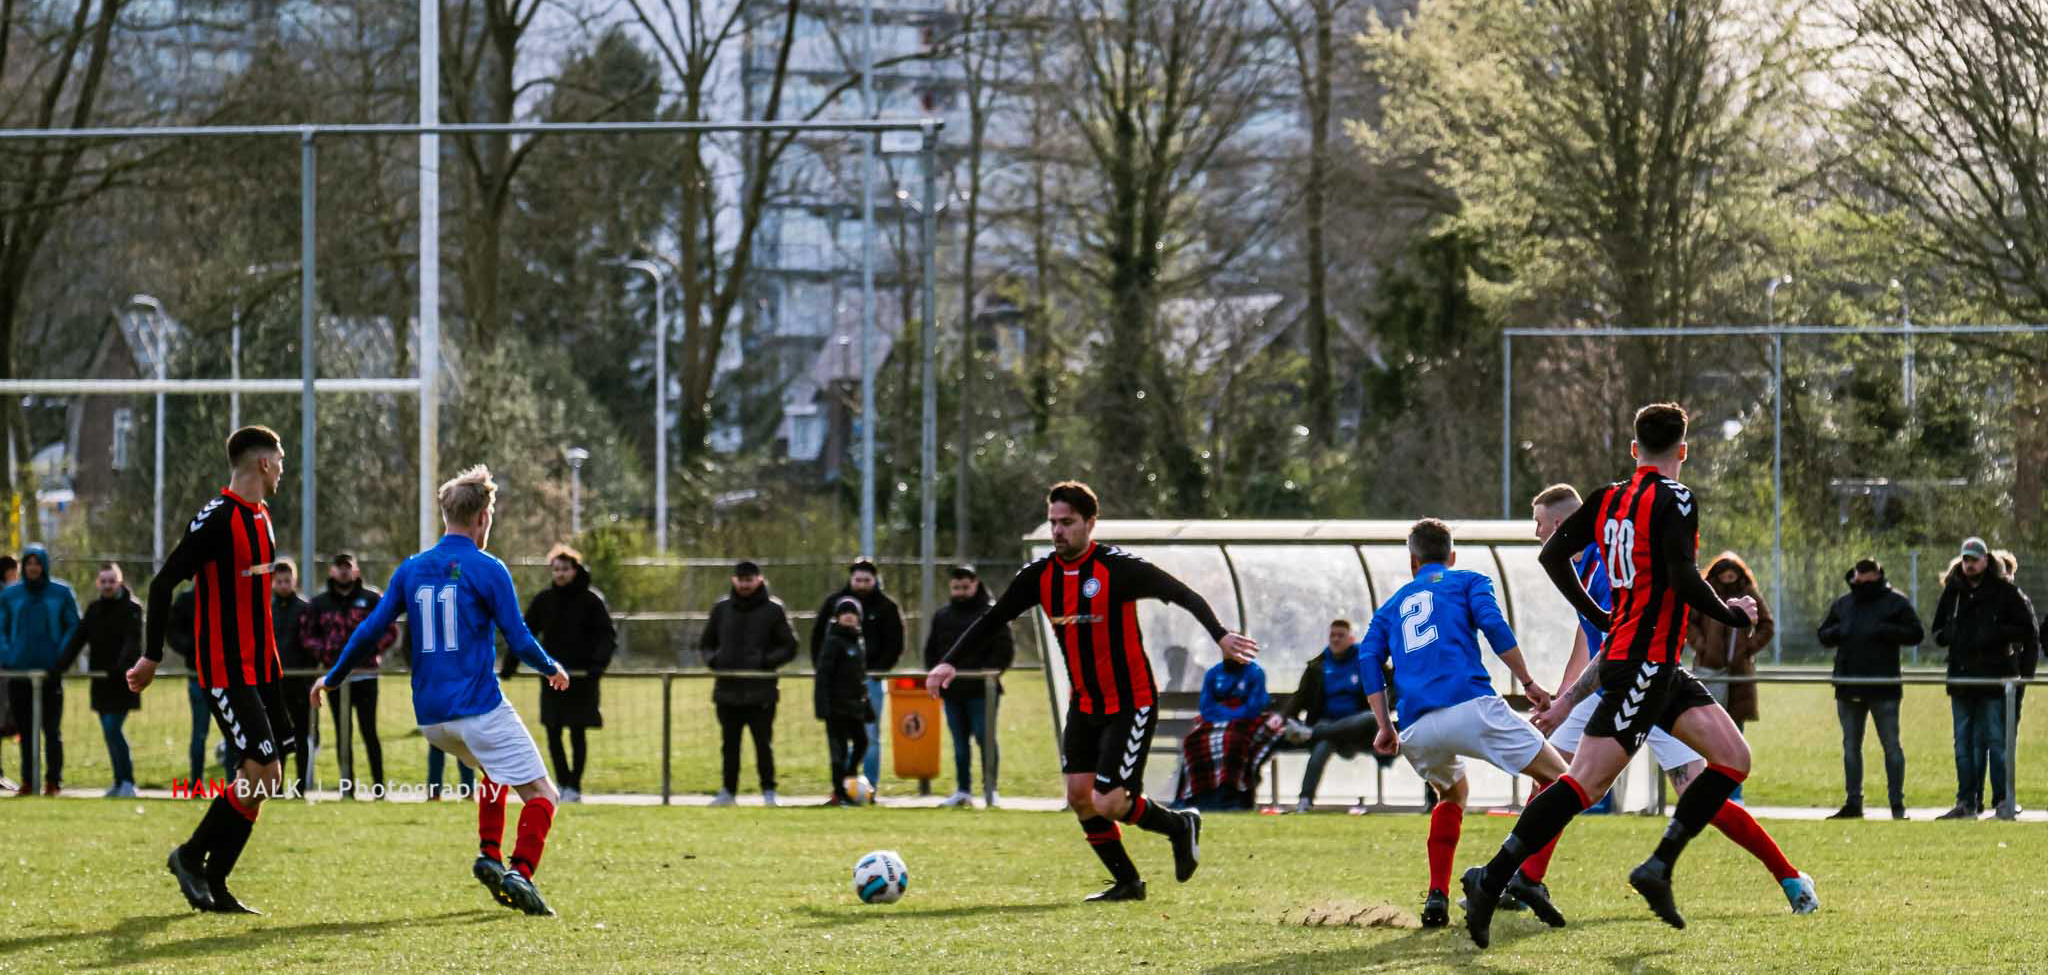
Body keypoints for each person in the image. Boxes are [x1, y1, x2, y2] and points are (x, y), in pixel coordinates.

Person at [1462, 403, 1776, 948]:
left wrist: (1603, 615)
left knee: (1734, 759)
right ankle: (1491, 878)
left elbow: (1553, 557)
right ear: (1683, 450)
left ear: (1635, 450)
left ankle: (1657, 866)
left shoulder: (1607, 497)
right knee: (1583, 784)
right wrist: (1732, 613)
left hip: (1657, 663)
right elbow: (1680, 575)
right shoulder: (1677, 497)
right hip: (1641, 664)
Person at [928, 480, 1259, 903]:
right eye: (1053, 523)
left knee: (1110, 802)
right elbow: (993, 620)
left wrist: (1219, 635)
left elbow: (1181, 593)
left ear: (1090, 522)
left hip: (1131, 702)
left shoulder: (1118, 568)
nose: (1058, 531)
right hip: (1084, 704)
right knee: (1080, 797)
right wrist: (948, 661)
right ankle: (1128, 882)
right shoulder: (1039, 576)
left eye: (1067, 522)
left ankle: (1179, 826)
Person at [1523, 484, 1814, 914]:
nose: (1536, 534)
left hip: (1642, 686)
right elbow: (1588, 642)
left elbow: (1616, 644)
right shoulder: (1582, 570)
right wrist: (1563, 698)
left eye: (1539, 524)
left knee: (1696, 790)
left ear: (1560, 524)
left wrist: (1567, 702)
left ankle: (1789, 878)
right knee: (1552, 778)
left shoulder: (1604, 567)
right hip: (1605, 685)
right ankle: (1525, 879)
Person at [312, 464, 571, 917]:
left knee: (494, 770)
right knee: (544, 794)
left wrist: (332, 677)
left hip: (432, 720)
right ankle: (521, 872)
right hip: (477, 709)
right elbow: (519, 637)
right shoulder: (488, 568)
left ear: (445, 515)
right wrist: (552, 667)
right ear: (483, 518)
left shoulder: (411, 569)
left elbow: (368, 631)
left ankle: (490, 853)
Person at [1348, 519, 1566, 928]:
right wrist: (1529, 682)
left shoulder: (1391, 607)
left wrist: (1384, 725)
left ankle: (1437, 896)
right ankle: (1523, 877)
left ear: (1413, 561)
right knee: (1564, 782)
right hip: (1471, 706)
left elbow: (1368, 660)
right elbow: (1493, 625)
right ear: (1451, 556)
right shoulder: (1468, 579)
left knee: (1452, 793)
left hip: (1416, 727)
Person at [127, 424, 295, 915]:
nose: (282, 468)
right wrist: (151, 655)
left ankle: (214, 882)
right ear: (263, 463)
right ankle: (190, 857)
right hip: (227, 669)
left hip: (262, 669)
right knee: (261, 771)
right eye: (280, 459)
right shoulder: (217, 517)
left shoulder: (263, 517)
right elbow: (162, 586)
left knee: (267, 777)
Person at [504, 544, 615, 804]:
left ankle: (575, 786)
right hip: (553, 676)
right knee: (553, 731)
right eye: (556, 569)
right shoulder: (544, 600)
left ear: (575, 570)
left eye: (565, 569)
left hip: (582, 678)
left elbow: (607, 636)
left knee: (578, 731)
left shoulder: (591, 600)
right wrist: (510, 665)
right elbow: (524, 633)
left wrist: (597, 666)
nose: (560, 574)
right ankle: (563, 782)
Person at [1930, 538, 2031, 820]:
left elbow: (2024, 628)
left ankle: (2003, 801)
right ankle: (1966, 802)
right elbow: (1937, 632)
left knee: (1996, 742)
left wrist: (1995, 633)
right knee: (1963, 744)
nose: (1969, 564)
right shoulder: (1953, 592)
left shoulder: (2004, 591)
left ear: (1986, 560)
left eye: (1974, 559)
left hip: (1994, 678)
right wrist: (1953, 634)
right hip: (1962, 680)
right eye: (1965, 559)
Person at [1816, 558, 1923, 820]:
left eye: (1868, 574)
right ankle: (1854, 803)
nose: (1863, 579)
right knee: (1851, 746)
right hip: (1848, 684)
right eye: (1860, 574)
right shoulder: (1844, 604)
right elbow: (1823, 634)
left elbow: (1916, 633)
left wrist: (1885, 631)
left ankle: (1897, 804)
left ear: (1878, 574)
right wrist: (1840, 632)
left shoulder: (1895, 602)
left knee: (1891, 746)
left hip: (1883, 686)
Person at [700, 560, 799, 806]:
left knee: (763, 744)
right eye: (741, 580)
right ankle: (728, 792)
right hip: (728, 691)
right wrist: (716, 661)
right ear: (734, 580)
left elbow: (790, 645)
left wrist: (766, 662)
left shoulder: (773, 610)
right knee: (729, 746)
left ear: (759, 579)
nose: (745, 584)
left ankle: (768, 792)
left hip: (761, 691)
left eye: (750, 580)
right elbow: (706, 643)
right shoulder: (722, 609)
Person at [302, 553, 394, 799]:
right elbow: (308, 635)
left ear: (355, 571)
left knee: (369, 732)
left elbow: (391, 629)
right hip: (336, 679)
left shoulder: (372, 599)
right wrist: (327, 653)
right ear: (332, 571)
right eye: (339, 567)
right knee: (343, 733)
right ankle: (347, 787)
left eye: (348, 567)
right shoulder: (319, 604)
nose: (343, 572)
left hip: (365, 676)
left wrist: (371, 649)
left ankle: (378, 787)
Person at [922, 565, 1014, 808]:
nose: (960, 592)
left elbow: (1004, 650)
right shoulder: (942, 616)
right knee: (959, 744)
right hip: (953, 692)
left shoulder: (990, 614)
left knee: (986, 739)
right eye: (956, 587)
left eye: (965, 587)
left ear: (975, 584)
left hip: (982, 692)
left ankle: (990, 790)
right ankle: (963, 790)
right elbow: (931, 652)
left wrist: (988, 673)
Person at [1279, 619, 1390, 813]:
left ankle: (1312, 733)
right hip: (1329, 723)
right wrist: (1282, 719)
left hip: (1360, 729)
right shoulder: (1318, 665)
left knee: (1370, 718)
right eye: (1333, 635)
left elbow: (1390, 686)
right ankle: (1305, 801)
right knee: (1323, 746)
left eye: (1341, 635)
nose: (1336, 639)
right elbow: (1300, 696)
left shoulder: (1366, 660)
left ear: (1351, 638)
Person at [812, 558, 905, 789]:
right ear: (851, 579)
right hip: (837, 686)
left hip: (868, 683)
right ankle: (843, 787)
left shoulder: (886, 607)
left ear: (875, 580)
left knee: (869, 737)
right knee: (840, 740)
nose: (862, 584)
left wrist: (878, 671)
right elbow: (817, 640)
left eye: (867, 580)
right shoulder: (834, 603)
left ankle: (868, 786)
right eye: (858, 579)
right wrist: (822, 668)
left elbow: (895, 643)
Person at [54, 563, 143, 798]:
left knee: (113, 727)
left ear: (119, 582)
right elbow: (78, 639)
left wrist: (121, 667)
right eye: (103, 581)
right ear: (98, 583)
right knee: (108, 730)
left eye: (111, 581)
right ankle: (118, 780)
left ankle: (128, 781)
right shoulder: (94, 610)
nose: (107, 585)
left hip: (122, 681)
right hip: (101, 682)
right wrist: (60, 665)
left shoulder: (132, 609)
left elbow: (133, 642)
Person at [0, 544, 80, 795]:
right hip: (19, 673)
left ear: (44, 565)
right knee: (25, 730)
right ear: (23, 566)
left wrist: (60, 658)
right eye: (29, 563)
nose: (33, 567)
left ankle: (53, 781)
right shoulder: (11, 596)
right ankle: (27, 781)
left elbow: (73, 627)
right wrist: (8, 655)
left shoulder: (61, 593)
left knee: (52, 730)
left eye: (37, 562)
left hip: (50, 674)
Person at [1176, 657, 1285, 811]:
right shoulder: (1213, 673)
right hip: (1215, 722)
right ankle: (1198, 798)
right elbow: (1207, 708)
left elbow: (1253, 708)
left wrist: (1228, 714)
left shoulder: (1255, 673)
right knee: (1192, 741)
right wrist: (1226, 714)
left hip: (1244, 724)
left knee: (1232, 741)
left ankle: (1229, 796)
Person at [1686, 553, 1774, 739]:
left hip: (1738, 670)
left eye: (1731, 576)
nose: (1727, 580)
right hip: (1708, 667)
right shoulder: (1705, 591)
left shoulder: (1749, 593)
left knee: (1735, 726)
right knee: (1707, 723)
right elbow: (1689, 623)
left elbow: (1766, 625)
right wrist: (1703, 646)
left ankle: (1732, 766)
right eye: (1724, 576)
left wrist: (1749, 647)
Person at [816, 597, 874, 806]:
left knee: (862, 742)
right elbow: (823, 675)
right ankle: (839, 792)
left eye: (853, 613)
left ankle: (848, 779)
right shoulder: (833, 642)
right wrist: (822, 705)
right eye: (844, 613)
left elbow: (861, 676)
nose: (849, 616)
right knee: (838, 751)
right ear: (838, 617)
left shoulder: (858, 641)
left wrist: (866, 706)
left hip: (855, 706)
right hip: (836, 707)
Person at [165, 586, 224, 782]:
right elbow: (172, 632)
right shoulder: (186, 600)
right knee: (200, 732)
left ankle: (233, 784)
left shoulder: (224, 595)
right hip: (199, 674)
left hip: (225, 675)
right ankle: (197, 782)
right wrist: (192, 648)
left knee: (230, 734)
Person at [270, 559, 316, 797]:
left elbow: (311, 645)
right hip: (273, 683)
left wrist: (309, 677)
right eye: (279, 581)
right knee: (277, 736)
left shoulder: (304, 609)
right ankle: (276, 786)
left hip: (300, 682)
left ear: (294, 581)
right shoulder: (267, 608)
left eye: (287, 581)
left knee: (301, 735)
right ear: (272, 582)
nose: (283, 585)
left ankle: (300, 786)